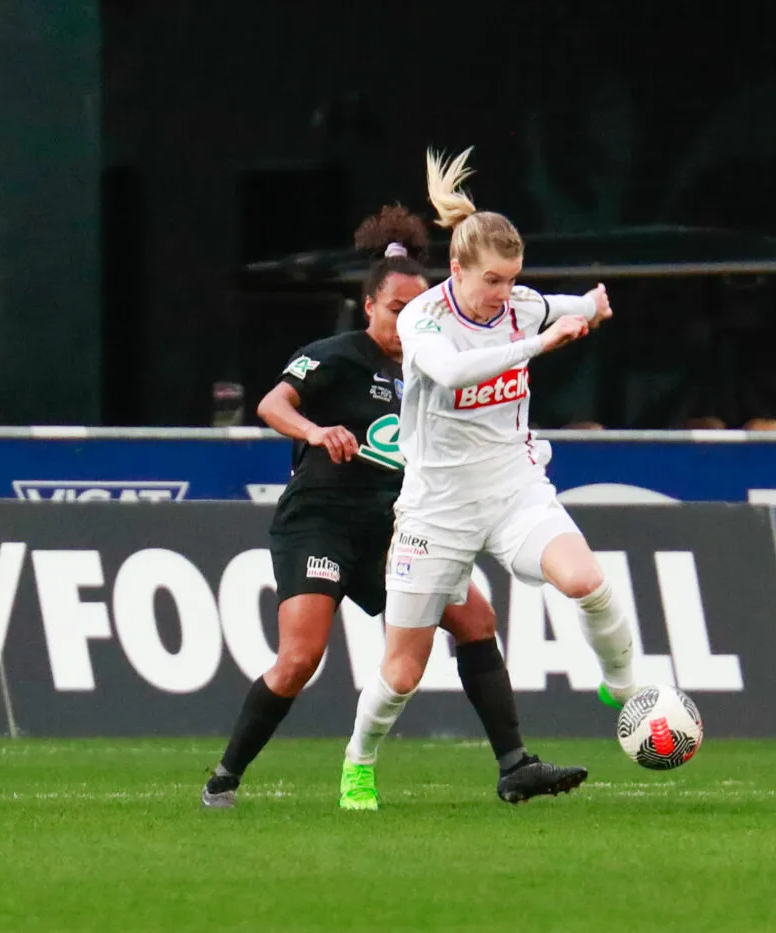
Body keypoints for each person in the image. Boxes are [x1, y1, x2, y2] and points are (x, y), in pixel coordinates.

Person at [202, 204, 588, 810]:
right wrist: (313, 432)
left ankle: (515, 765)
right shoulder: (339, 355)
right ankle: (225, 775)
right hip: (321, 523)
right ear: (372, 307)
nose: (408, 321)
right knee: (301, 657)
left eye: (418, 310)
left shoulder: (433, 362)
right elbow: (273, 404)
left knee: (476, 622)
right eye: (397, 310)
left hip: (395, 525)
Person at [339, 148, 640, 809]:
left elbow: (563, 305)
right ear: (456, 269)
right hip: (435, 508)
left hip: (512, 488)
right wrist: (544, 343)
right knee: (402, 672)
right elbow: (450, 374)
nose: (505, 295)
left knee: (587, 580)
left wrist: (591, 304)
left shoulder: (520, 306)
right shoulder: (424, 318)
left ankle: (626, 688)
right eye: (494, 281)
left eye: (513, 280)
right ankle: (358, 761)